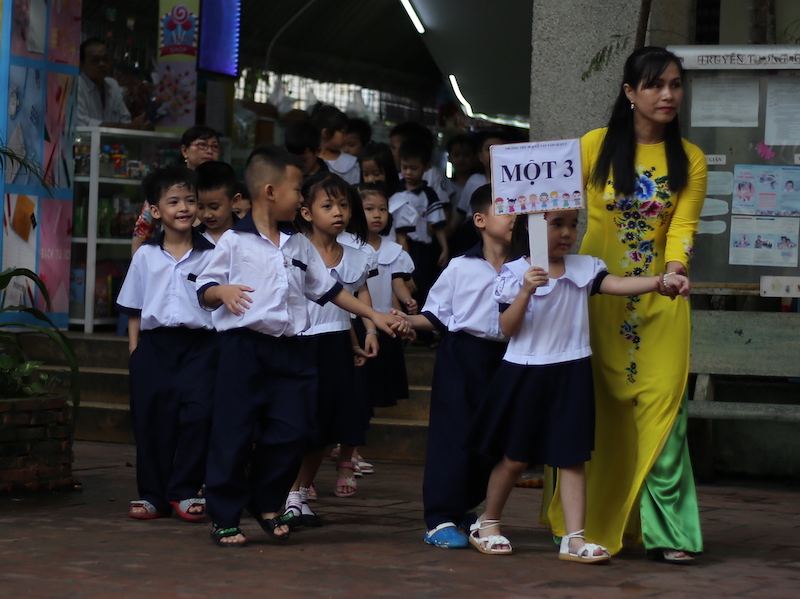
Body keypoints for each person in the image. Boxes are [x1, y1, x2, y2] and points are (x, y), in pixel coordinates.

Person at [545, 46, 707, 564]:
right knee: (595, 412)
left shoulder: (691, 159)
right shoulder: (594, 147)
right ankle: (581, 523)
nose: (667, 95)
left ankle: (670, 535)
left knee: (663, 411)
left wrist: (676, 270)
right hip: (595, 298)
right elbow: (555, 207)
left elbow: (682, 227)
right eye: (656, 85)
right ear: (629, 92)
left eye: (675, 85)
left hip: (661, 298)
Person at [196, 145, 403, 547]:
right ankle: (224, 515)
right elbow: (203, 290)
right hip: (242, 348)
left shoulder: (298, 244)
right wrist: (220, 290)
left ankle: (267, 502)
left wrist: (373, 316)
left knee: (293, 429)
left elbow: (327, 290)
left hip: (292, 350)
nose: (300, 197)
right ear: (270, 192)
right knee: (234, 433)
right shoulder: (233, 243)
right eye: (296, 189)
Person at [468, 210, 689, 561]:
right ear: (534, 227)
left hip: (572, 371)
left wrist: (659, 282)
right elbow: (507, 328)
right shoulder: (513, 273)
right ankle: (488, 522)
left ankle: (574, 538)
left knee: (572, 458)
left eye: (573, 224)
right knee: (515, 458)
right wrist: (526, 289)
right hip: (526, 372)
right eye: (557, 224)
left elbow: (616, 284)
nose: (568, 233)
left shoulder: (585, 267)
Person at [397, 184, 511, 549]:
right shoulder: (461, 266)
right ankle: (439, 518)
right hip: (462, 356)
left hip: (509, 357)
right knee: (453, 437)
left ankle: (464, 507)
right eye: (505, 209)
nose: (515, 217)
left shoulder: (528, 266)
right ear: (479, 219)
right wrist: (402, 322)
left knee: (495, 440)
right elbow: (436, 315)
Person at [115, 167, 217, 522]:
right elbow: (133, 308)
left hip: (202, 346)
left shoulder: (213, 254)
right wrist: (135, 351)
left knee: (199, 415)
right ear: (155, 211)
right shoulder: (145, 255)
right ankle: (153, 495)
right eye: (173, 201)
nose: (184, 208)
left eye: (190, 200)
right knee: (151, 419)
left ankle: (185, 490)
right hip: (154, 347)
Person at [283, 172, 377, 523]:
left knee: (325, 426)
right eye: (327, 205)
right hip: (298, 343)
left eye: (343, 205)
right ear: (306, 213)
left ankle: (298, 493)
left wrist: (364, 334)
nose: (338, 212)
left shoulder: (356, 256)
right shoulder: (291, 249)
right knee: (297, 423)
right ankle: (285, 488)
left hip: (335, 343)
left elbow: (349, 301)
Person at [131, 126, 221, 254]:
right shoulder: (167, 183)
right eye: (202, 144)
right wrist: (139, 263)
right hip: (167, 256)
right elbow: (143, 227)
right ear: (184, 150)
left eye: (215, 146)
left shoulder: (222, 187)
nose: (209, 151)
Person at [390, 138, 449, 308]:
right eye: (404, 167)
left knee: (422, 286)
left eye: (414, 168)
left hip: (422, 249)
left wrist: (444, 248)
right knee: (400, 284)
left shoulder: (429, 194)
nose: (408, 172)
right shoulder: (395, 190)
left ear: (426, 167)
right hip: (398, 247)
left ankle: (423, 326)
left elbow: (438, 224)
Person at [77, 38, 152, 130]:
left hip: (112, 143)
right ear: (81, 64)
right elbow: (82, 123)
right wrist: (129, 127)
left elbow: (125, 119)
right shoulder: (75, 85)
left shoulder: (112, 84)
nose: (102, 64)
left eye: (106, 59)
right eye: (95, 60)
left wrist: (139, 126)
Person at [311, 104, 360, 184]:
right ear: (326, 133)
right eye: (342, 132)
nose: (345, 137)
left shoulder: (351, 164)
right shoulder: (310, 160)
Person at [195, 161, 241, 244]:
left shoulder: (249, 237)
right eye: (200, 207)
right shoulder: (190, 239)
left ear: (234, 201)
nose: (206, 215)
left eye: (214, 207)